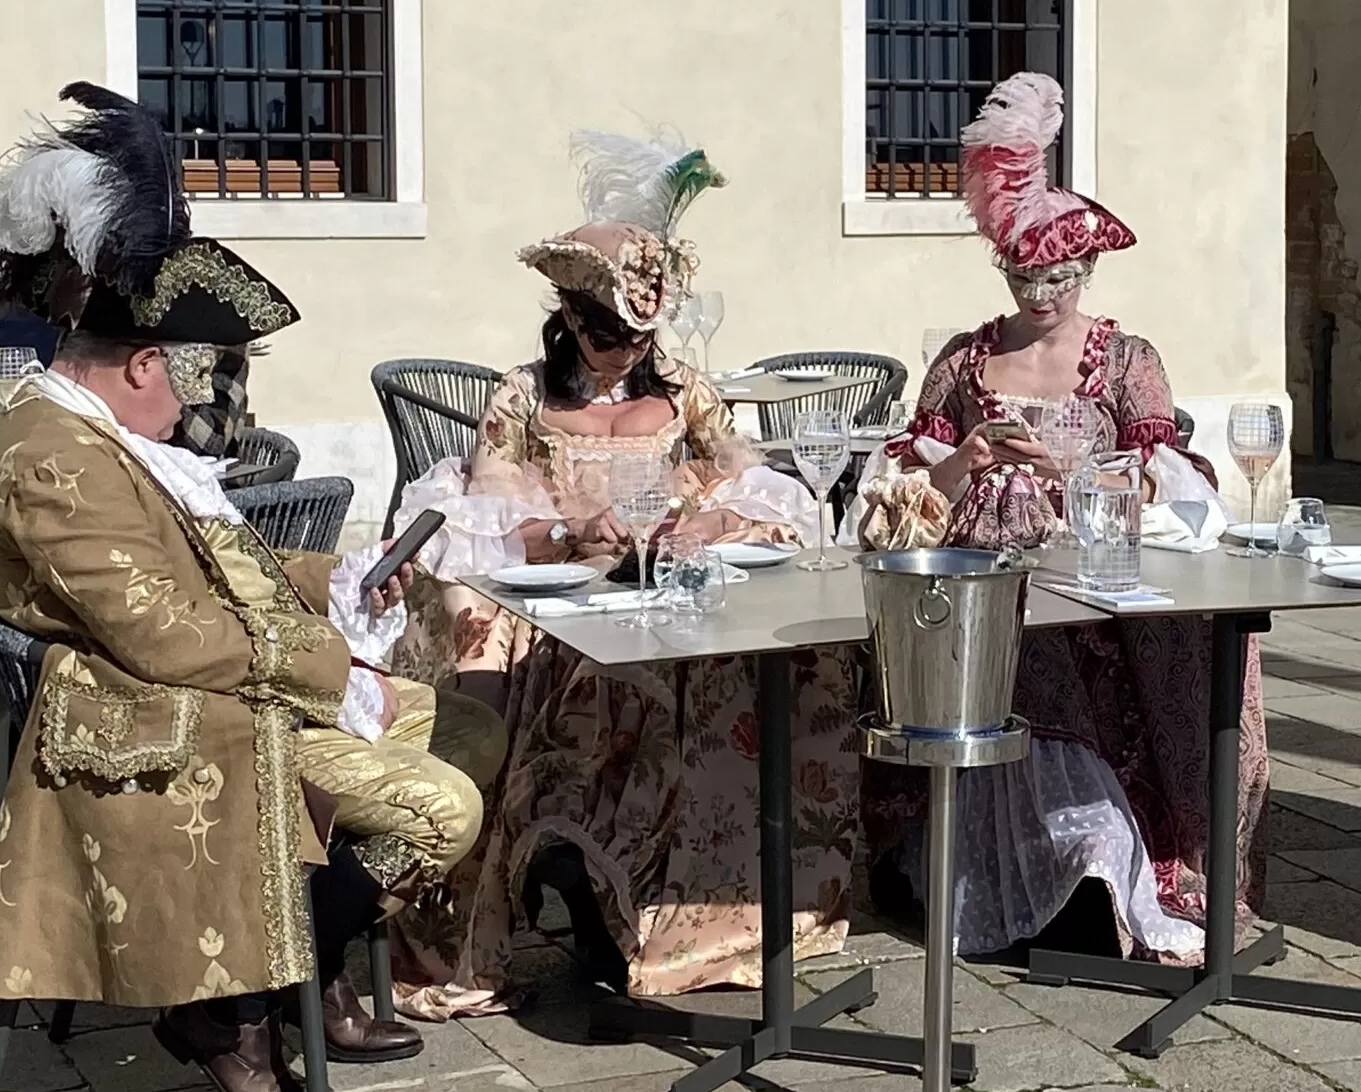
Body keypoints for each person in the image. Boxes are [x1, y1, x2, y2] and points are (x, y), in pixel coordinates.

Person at [0, 84, 506, 1092]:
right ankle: (235, 1005)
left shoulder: (119, 442)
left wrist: (336, 578)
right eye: (188, 379)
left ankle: (309, 957)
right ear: (143, 363)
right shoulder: (51, 460)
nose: (197, 405)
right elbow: (158, 631)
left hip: (230, 692)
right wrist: (327, 667)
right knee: (444, 806)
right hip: (165, 724)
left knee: (471, 726)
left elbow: (216, 569)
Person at [387, 130, 857, 1016]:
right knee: (553, 678)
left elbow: (758, 487)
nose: (623, 353)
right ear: (567, 316)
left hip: (665, 589)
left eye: (637, 336)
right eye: (605, 333)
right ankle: (565, 865)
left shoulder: (685, 392)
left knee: (743, 664)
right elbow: (485, 521)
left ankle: (675, 907)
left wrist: (714, 517)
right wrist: (569, 534)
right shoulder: (522, 395)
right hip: (557, 596)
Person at [867, 71, 1263, 962]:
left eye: (1055, 275)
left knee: (1131, 654)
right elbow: (903, 481)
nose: (1038, 292)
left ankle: (1120, 861)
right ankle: (1046, 864)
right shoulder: (965, 361)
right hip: (980, 580)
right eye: (1021, 273)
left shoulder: (1127, 360)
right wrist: (971, 457)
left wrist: (1080, 469)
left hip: (1095, 568)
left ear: (1083, 270)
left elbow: (1175, 479)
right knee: (1017, 667)